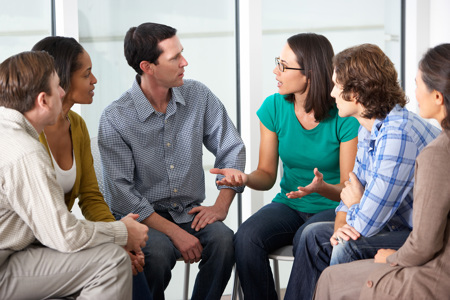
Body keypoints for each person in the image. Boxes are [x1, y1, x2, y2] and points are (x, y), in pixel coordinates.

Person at [98, 22, 245, 300]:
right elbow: (121, 194)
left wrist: (221, 206)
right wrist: (175, 234)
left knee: (224, 241)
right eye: (174, 57)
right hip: (142, 218)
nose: (184, 62)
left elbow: (232, 147)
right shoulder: (115, 118)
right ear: (147, 67)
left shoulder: (198, 95)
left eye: (182, 53)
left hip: (188, 211)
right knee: (158, 252)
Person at [284, 44, 441, 300]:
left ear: (355, 93)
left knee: (348, 246)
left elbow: (367, 221)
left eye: (337, 85)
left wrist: (355, 205)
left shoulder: (397, 135)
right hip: (392, 223)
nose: (332, 93)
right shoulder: (367, 129)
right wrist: (342, 223)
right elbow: (349, 197)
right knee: (314, 236)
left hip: (423, 238)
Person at [211, 33, 360, 300]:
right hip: (289, 205)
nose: (275, 71)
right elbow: (266, 175)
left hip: (332, 208)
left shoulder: (343, 115)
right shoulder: (274, 107)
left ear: (310, 74)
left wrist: (321, 187)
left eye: (283, 65)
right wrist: (244, 178)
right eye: (277, 62)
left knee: (307, 236)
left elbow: (349, 191)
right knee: (246, 237)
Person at [0, 51, 148, 299]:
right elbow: (64, 235)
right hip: (7, 264)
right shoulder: (25, 152)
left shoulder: (12, 133)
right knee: (111, 262)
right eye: (57, 86)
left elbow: (87, 199)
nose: (62, 92)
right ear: (42, 101)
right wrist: (122, 233)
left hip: (20, 252)